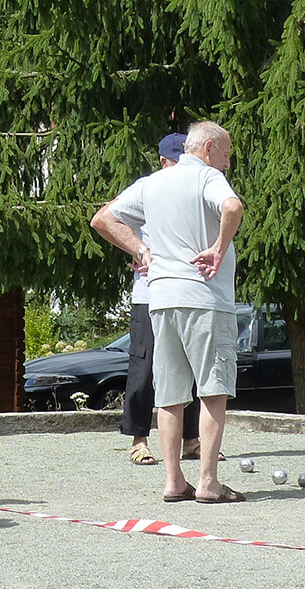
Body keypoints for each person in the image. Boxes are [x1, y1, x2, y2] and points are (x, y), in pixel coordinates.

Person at [89, 120, 246, 503]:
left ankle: (174, 481)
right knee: (213, 390)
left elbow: (102, 219)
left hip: (160, 299)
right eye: (226, 155)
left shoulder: (151, 183)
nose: (227, 164)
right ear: (208, 149)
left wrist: (141, 252)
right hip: (204, 298)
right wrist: (219, 248)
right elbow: (232, 206)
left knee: (170, 395)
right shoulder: (207, 177)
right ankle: (208, 482)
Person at [119, 133, 202, 466]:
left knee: (191, 368)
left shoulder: (192, 191)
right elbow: (109, 219)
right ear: (164, 162)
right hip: (149, 294)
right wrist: (138, 250)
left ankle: (191, 440)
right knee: (144, 368)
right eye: (175, 162)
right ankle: (139, 440)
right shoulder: (148, 188)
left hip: (186, 292)